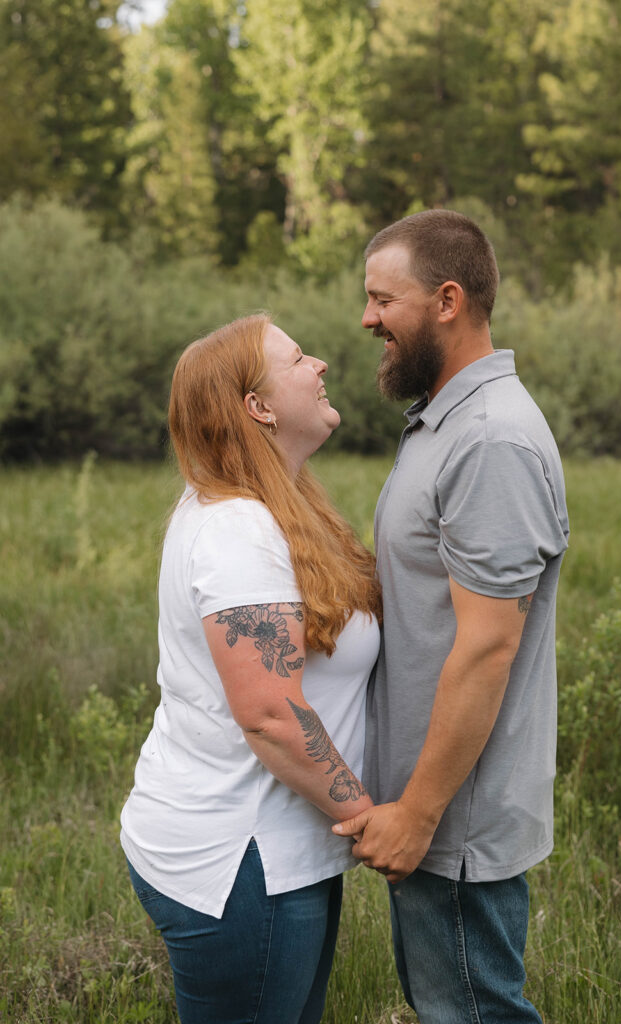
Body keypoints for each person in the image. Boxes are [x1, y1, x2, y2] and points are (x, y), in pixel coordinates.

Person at [333, 209, 570, 1023]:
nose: (366, 320)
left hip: (453, 825)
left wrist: (420, 814)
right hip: (431, 821)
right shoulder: (443, 422)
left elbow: (486, 647)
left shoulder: (489, 441)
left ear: (445, 300)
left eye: (380, 299)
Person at [120, 314, 382, 1024]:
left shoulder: (274, 505)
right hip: (240, 862)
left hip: (272, 852)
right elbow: (269, 715)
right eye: (297, 359)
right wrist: (368, 820)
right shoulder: (236, 530)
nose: (321, 363)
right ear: (257, 408)